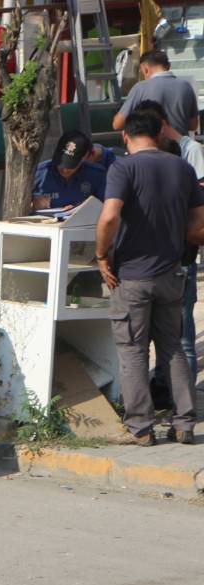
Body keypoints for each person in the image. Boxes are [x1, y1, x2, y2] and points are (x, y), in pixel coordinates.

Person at [95, 106, 204, 446]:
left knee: (133, 350)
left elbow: (110, 216)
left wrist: (101, 255)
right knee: (172, 348)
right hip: (172, 273)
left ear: (125, 136)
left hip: (131, 275)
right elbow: (199, 223)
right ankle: (185, 422)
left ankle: (140, 427)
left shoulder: (123, 168)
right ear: (159, 134)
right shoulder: (183, 168)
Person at [113, 50, 199, 136]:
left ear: (145, 69)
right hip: (180, 146)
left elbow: (117, 124)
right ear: (169, 66)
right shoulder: (186, 86)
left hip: (153, 146)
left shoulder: (140, 88)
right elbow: (193, 125)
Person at [32, 131, 107, 210]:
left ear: (84, 158)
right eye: (60, 162)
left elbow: (106, 207)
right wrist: (32, 205)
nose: (64, 169)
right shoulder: (38, 173)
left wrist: (81, 210)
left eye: (71, 165)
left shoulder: (96, 175)